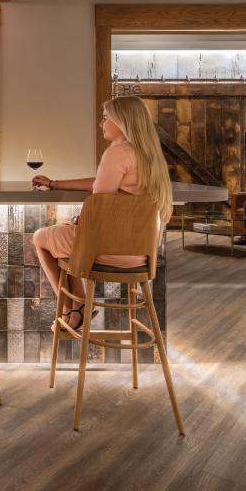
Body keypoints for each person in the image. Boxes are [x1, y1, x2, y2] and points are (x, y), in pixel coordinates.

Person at [30, 96, 173, 331]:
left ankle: (70, 309)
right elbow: (102, 184)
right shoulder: (150, 155)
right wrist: (55, 183)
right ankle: (78, 307)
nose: (101, 123)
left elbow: (100, 203)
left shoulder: (118, 153)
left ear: (123, 121)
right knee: (70, 234)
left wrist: (81, 221)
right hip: (140, 255)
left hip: (106, 249)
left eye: (106, 118)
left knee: (40, 238)